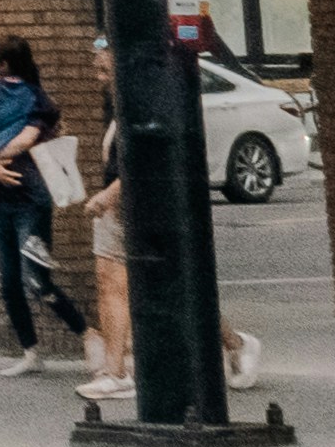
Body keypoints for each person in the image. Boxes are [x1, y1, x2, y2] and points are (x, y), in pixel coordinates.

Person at [71, 38, 264, 400]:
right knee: (109, 282)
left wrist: (110, 193)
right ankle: (115, 373)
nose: (96, 56)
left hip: (150, 205)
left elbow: (149, 153)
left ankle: (237, 343)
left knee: (180, 287)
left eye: (104, 49)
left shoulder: (147, 94)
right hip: (119, 208)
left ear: (125, 55)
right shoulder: (117, 98)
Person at [0, 37, 79, 379]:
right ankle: (30, 352)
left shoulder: (35, 97)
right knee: (8, 282)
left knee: (37, 279)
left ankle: (88, 334)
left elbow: (27, 139)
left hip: (30, 200)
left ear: (4, 63)